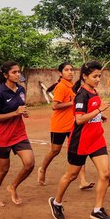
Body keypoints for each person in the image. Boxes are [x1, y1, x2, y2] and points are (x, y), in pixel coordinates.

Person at [48, 61, 110, 219]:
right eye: (94, 76)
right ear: (84, 77)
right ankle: (57, 202)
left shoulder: (93, 91)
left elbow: (89, 113)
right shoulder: (81, 94)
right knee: (71, 175)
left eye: (99, 76)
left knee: (105, 173)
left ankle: (97, 209)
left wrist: (97, 116)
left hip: (96, 139)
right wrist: (99, 110)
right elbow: (79, 119)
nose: (97, 79)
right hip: (80, 141)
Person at [37, 62, 93, 190]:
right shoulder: (61, 87)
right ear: (60, 73)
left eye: (71, 70)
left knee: (80, 150)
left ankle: (83, 181)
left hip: (73, 125)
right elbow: (54, 106)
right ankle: (42, 169)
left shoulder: (73, 86)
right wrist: (71, 103)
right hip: (59, 126)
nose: (70, 72)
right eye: (66, 70)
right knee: (55, 151)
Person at [0, 61, 35, 207]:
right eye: (14, 72)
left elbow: (20, 107)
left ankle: (13, 186)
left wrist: (23, 112)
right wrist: (15, 113)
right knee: (3, 169)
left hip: (19, 133)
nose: (18, 74)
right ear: (5, 75)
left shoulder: (21, 89)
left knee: (29, 163)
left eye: (18, 72)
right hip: (2, 136)